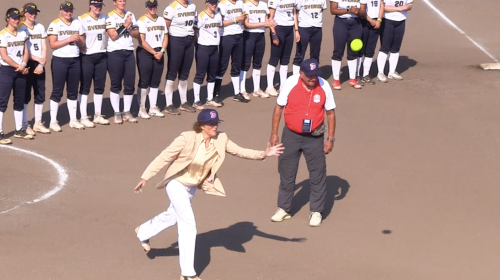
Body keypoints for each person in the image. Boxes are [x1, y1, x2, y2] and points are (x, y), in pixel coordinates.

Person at [133, 108, 284, 280]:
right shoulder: (187, 138)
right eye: (211, 124)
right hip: (176, 184)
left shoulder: (221, 139)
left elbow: (239, 151)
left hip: (191, 187)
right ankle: (188, 273)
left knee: (173, 216)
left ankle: (143, 232)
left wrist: (263, 154)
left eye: (216, 123)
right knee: (188, 225)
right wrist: (145, 177)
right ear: (202, 125)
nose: (215, 127)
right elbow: (164, 157)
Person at [269, 58, 336, 227]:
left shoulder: (324, 86)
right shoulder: (290, 83)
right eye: (309, 75)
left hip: (315, 136)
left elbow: (330, 113)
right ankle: (284, 208)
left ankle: (316, 211)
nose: (313, 78)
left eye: (315, 75)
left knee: (317, 173)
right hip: (291, 135)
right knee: (286, 171)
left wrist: (331, 139)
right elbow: (279, 108)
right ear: (301, 73)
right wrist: (274, 134)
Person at [47, 1, 85, 132]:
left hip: (75, 60)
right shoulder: (55, 24)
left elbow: (82, 44)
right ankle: (53, 121)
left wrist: (78, 39)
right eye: (66, 10)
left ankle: (73, 119)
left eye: (70, 10)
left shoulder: (77, 23)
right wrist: (69, 39)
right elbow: (52, 44)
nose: (68, 12)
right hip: (60, 60)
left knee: (73, 90)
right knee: (57, 90)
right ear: (61, 11)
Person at [0, 8, 33, 144]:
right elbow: (4, 56)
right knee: (2, 101)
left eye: (18, 18)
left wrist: (24, 64)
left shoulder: (21, 33)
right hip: (7, 70)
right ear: (8, 19)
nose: (16, 20)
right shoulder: (2, 35)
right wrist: (18, 66)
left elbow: (26, 51)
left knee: (19, 100)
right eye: (14, 18)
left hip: (21, 70)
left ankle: (19, 129)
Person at [106, 0, 140, 124]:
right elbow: (113, 36)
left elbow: (136, 34)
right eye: (120, 1)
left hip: (129, 52)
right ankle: (117, 112)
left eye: (124, 1)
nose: (122, 3)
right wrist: (125, 25)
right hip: (115, 53)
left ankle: (127, 111)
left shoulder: (130, 14)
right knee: (116, 84)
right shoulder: (110, 16)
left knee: (130, 84)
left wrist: (131, 28)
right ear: (114, 3)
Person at [19, 3, 50, 135]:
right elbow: (23, 50)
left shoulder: (40, 26)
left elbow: (44, 46)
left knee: (40, 94)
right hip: (27, 63)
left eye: (35, 13)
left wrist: (41, 64)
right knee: (26, 95)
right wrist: (38, 60)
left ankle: (38, 123)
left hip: (39, 64)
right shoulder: (21, 28)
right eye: (30, 13)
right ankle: (25, 124)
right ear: (25, 13)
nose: (33, 15)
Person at [162, 0, 197, 115]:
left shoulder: (192, 6)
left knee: (185, 72)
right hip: (175, 40)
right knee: (172, 71)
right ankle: (169, 104)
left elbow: (194, 25)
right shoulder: (172, 7)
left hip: (189, 40)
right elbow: (165, 28)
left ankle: (184, 101)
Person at [78, 0, 109, 127]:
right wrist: (81, 45)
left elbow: (113, 31)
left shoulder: (105, 18)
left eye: (100, 6)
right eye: (96, 6)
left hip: (102, 56)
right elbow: (78, 35)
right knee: (85, 87)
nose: (98, 8)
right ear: (90, 5)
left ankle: (97, 115)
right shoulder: (81, 19)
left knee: (99, 87)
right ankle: (83, 117)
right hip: (87, 57)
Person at [135, 0, 168, 119]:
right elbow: (142, 41)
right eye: (150, 7)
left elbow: (165, 36)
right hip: (146, 53)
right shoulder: (142, 20)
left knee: (155, 81)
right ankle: (142, 108)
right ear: (146, 7)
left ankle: (153, 107)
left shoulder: (161, 20)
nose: (153, 8)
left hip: (159, 52)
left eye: (154, 6)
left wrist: (162, 51)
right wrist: (154, 52)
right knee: (144, 81)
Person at [213, 0, 248, 103]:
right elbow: (220, 23)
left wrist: (244, 17)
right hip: (227, 36)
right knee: (222, 65)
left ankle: (237, 93)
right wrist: (235, 19)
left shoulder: (241, 3)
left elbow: (244, 16)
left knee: (237, 64)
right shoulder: (222, 4)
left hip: (239, 35)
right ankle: (216, 93)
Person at [240, 0, 275, 99]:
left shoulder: (264, 5)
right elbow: (246, 24)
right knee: (245, 63)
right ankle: (242, 90)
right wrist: (264, 23)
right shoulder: (246, 5)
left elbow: (268, 21)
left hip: (260, 36)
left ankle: (257, 89)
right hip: (249, 35)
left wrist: (270, 23)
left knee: (257, 63)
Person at [192, 0, 224, 109]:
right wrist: (197, 47)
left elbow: (219, 26)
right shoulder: (201, 16)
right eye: (212, 3)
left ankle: (209, 98)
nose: (214, 5)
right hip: (203, 48)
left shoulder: (218, 16)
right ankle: (196, 100)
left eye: (215, 3)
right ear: (206, 3)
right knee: (200, 74)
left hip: (214, 48)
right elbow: (195, 32)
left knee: (212, 74)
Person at [329, 0, 367, 90]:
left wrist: (357, 11)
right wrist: (348, 10)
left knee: (354, 51)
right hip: (341, 22)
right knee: (338, 51)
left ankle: (353, 79)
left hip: (356, 23)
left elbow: (363, 11)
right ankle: (336, 79)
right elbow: (333, 10)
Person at [265, 0, 299, 97]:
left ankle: (283, 86)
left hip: (289, 29)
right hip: (278, 28)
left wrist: (296, 30)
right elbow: (270, 18)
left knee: (285, 59)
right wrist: (274, 34)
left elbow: (294, 13)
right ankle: (270, 87)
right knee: (274, 58)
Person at [375, 0, 412, 82]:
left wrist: (408, 7)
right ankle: (380, 72)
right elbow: (382, 7)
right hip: (387, 20)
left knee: (396, 48)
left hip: (401, 21)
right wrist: (399, 8)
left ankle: (392, 72)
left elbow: (409, 5)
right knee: (385, 47)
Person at [291, 0, 327, 75]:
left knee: (315, 54)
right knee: (300, 54)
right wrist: (296, 29)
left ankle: (313, 74)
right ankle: (295, 77)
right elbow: (295, 12)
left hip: (317, 28)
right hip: (304, 28)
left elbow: (322, 9)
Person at [356, 0, 384, 85]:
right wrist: (370, 20)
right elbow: (361, 10)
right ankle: (356, 75)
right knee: (360, 50)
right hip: (364, 21)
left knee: (370, 50)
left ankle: (366, 74)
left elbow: (382, 5)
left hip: (376, 21)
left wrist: (379, 20)